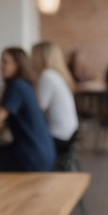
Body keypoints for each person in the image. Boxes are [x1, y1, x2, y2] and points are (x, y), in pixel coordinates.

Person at [0, 47, 56, 172]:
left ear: (17, 64)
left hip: (32, 156)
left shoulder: (16, 85)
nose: (0, 65)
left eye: (5, 62)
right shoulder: (26, 84)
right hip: (45, 152)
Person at [31, 41, 79, 170]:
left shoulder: (46, 76)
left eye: (33, 56)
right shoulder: (57, 76)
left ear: (41, 57)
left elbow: (38, 109)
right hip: (70, 132)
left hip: (58, 135)